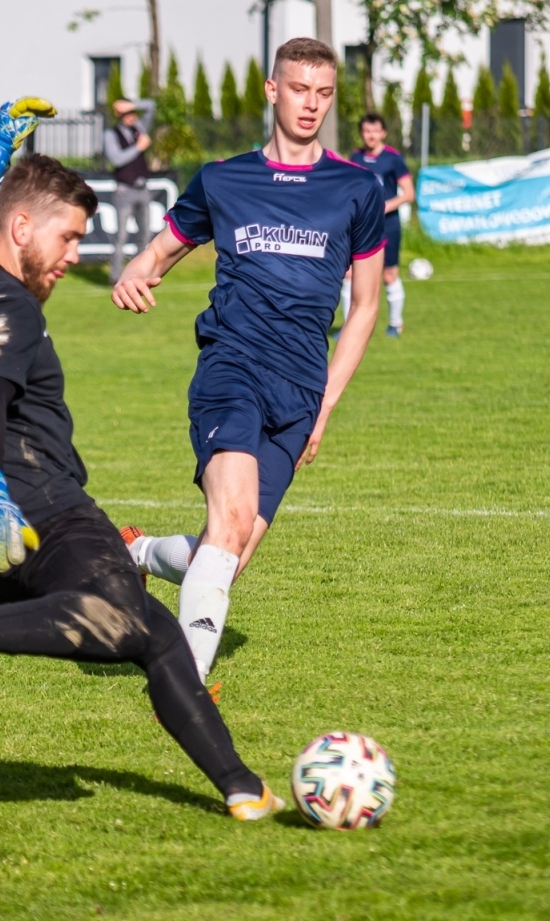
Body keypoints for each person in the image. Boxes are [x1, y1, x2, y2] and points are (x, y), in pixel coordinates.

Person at [0, 98, 283, 822]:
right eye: (67, 237)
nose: (73, 256)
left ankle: (242, 788)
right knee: (123, 622)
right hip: (36, 513)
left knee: (161, 638)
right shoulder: (8, 307)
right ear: (21, 228)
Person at [110, 37, 386, 684]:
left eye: (324, 93)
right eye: (299, 89)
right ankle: (184, 688)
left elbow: (366, 306)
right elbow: (160, 252)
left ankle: (138, 553)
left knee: (226, 555)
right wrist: (134, 274)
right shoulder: (223, 179)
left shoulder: (356, 188)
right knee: (230, 520)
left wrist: (325, 405)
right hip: (231, 369)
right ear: (272, 89)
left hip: (301, 391)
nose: (311, 104)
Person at [344, 112, 414, 337]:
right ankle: (348, 328)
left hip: (388, 225)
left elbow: (409, 194)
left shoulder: (393, 159)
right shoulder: (355, 157)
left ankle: (395, 324)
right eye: (366, 131)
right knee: (349, 274)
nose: (371, 135)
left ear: (383, 133)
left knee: (389, 275)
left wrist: (384, 206)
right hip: (361, 225)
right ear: (361, 133)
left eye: (375, 131)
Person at [102, 97, 157, 284]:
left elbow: (151, 106)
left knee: (145, 235)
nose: (131, 116)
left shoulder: (139, 128)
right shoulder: (111, 134)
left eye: (132, 112)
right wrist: (138, 147)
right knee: (121, 237)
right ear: (119, 115)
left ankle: (139, 274)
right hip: (124, 191)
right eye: (126, 113)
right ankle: (115, 277)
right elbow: (117, 159)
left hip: (143, 189)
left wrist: (132, 104)